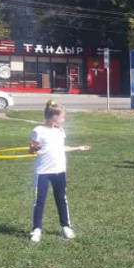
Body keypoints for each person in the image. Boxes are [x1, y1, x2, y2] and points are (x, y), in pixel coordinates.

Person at [29, 100, 91, 243]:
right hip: (43, 172)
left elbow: (60, 148)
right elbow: (32, 149)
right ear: (54, 117)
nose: (64, 119)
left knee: (62, 199)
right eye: (62, 117)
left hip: (59, 170)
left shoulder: (60, 131)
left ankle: (65, 226)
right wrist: (33, 149)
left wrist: (77, 148)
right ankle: (37, 229)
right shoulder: (38, 131)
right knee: (39, 201)